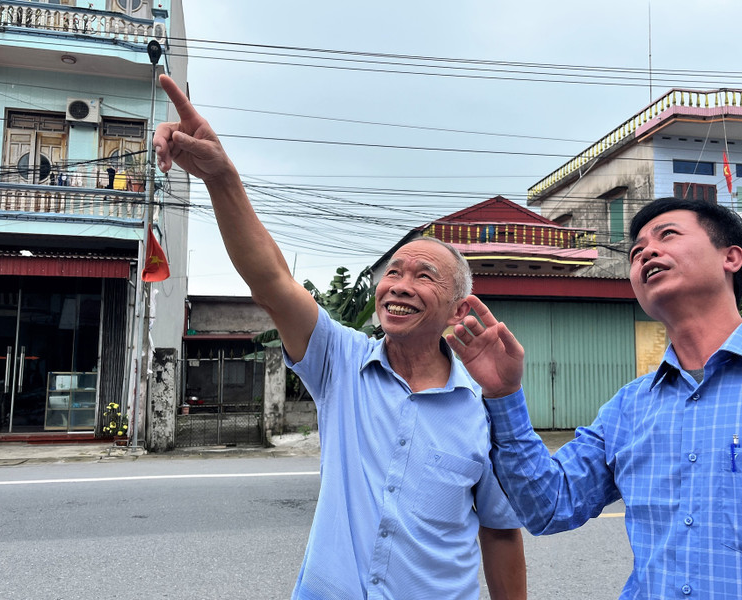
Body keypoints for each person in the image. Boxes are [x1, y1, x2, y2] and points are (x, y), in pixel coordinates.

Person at [152, 74, 526, 600]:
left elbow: (501, 530)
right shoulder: (341, 360)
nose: (398, 286)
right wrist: (223, 179)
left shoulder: (482, 405)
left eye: (424, 276)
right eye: (393, 272)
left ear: (458, 309)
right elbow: (272, 281)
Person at [448, 197, 742, 599]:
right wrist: (504, 395)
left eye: (667, 235)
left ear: (731, 257)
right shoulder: (629, 408)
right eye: (636, 251)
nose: (646, 253)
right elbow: (548, 506)